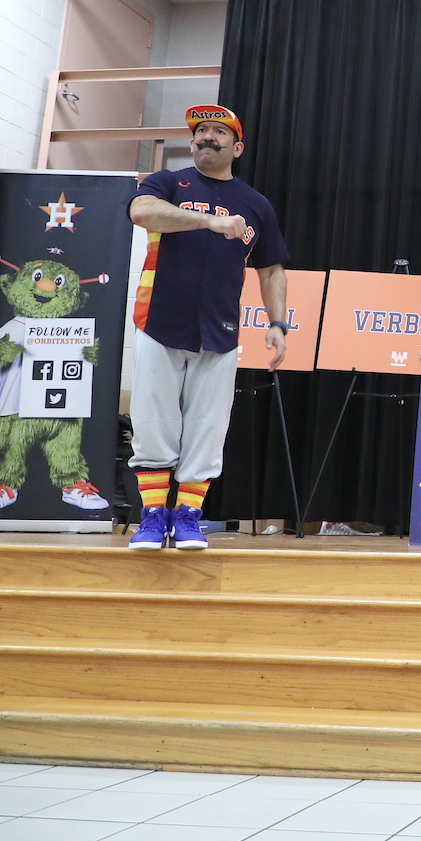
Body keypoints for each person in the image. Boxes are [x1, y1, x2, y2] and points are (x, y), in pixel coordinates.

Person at [126, 104, 289, 552]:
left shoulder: (256, 205)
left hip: (220, 330)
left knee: (208, 427)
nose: (206, 137)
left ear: (236, 147)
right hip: (158, 320)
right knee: (153, 422)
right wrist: (209, 221)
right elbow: (142, 213)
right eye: (200, 131)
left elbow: (272, 269)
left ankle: (189, 517)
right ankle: (153, 518)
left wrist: (278, 323)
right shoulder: (166, 184)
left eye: (218, 132)